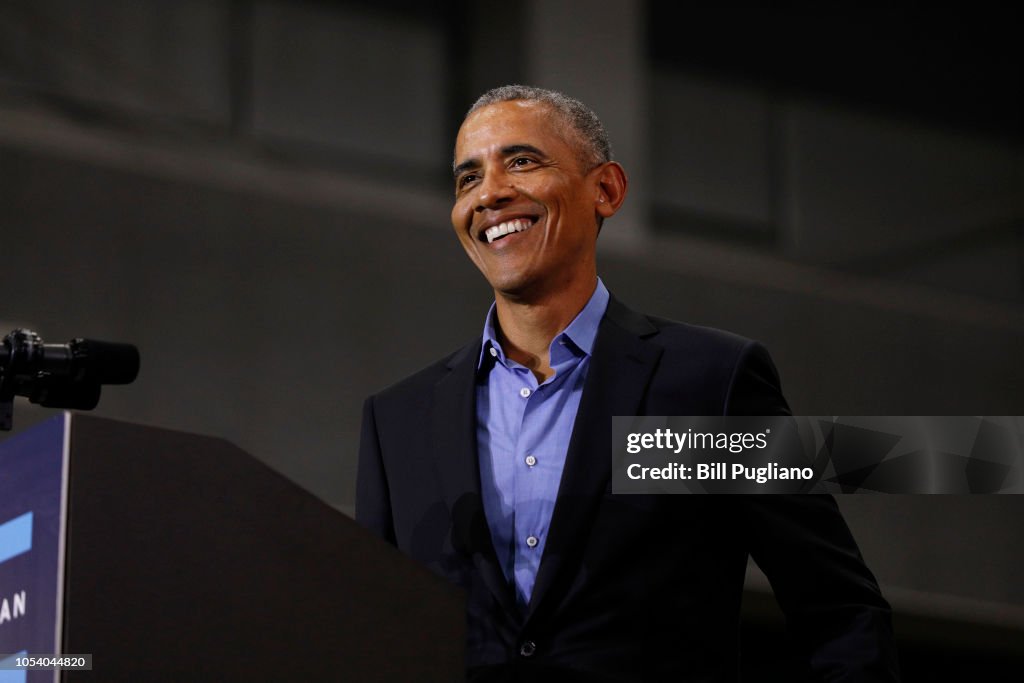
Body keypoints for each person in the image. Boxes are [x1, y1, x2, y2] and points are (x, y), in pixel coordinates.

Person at [356, 85, 899, 682]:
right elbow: (371, 637)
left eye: (522, 161)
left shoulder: (710, 381)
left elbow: (837, 609)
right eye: (467, 179)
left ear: (606, 190)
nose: (489, 193)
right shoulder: (397, 421)